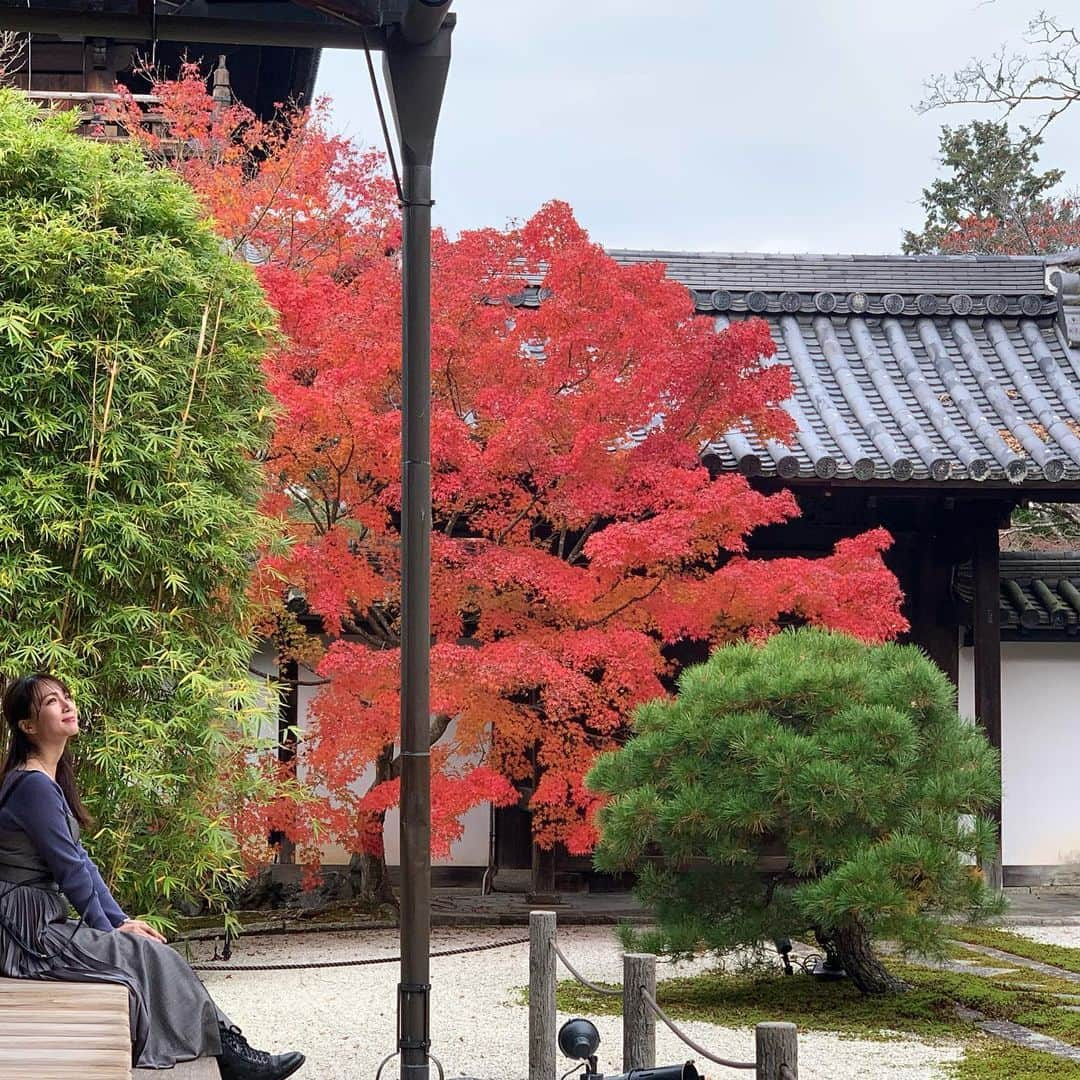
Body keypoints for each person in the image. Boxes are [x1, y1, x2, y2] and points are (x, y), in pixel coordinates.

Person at [0, 673, 305, 1079]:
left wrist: (118, 921)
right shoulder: (33, 785)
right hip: (25, 935)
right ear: (28, 725)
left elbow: (81, 861)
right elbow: (69, 868)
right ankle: (234, 1056)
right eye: (53, 701)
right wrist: (110, 929)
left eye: (67, 697)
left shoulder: (47, 779)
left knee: (150, 951)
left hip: (35, 922)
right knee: (149, 954)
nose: (68, 705)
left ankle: (232, 1049)